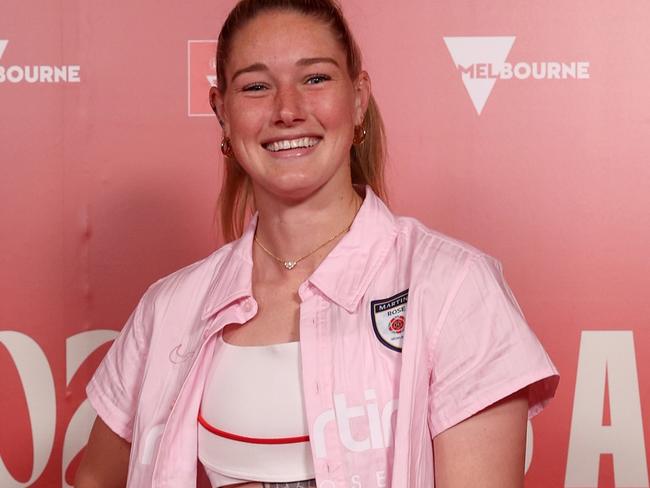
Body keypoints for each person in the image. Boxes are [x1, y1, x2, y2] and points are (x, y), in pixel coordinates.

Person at [75, 0, 559, 486]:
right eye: (256, 86)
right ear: (222, 112)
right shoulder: (170, 309)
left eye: (315, 79)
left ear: (358, 97)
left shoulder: (454, 288)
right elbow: (94, 479)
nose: (287, 110)